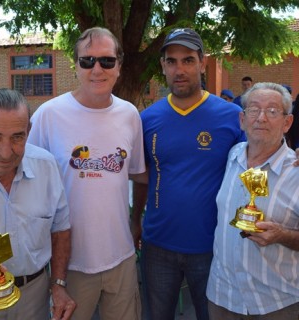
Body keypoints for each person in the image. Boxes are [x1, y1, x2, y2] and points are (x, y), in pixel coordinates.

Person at [28, 27, 146, 320]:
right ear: (76, 65)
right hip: (68, 265)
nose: (97, 69)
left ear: (119, 65)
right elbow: (26, 182)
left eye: (106, 61)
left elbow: (138, 176)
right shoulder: (48, 115)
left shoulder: (130, 115)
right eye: (87, 60)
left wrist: (136, 222)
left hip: (121, 258)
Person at [131, 28, 246, 320]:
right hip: (158, 245)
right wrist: (135, 221)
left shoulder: (231, 116)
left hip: (212, 245)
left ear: (201, 62)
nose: (179, 69)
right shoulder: (148, 119)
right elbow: (144, 175)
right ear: (163, 67)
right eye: (171, 61)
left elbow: (254, 168)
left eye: (187, 60)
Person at [0, 88, 75, 320]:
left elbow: (60, 230)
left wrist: (59, 284)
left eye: (17, 137)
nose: (5, 152)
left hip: (35, 297)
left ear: (28, 131)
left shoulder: (46, 166)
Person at [207, 82, 299, 319]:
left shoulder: (296, 171)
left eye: (272, 111)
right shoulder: (233, 154)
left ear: (287, 122)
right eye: (254, 110)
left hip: (275, 304)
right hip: (222, 297)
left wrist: (282, 235)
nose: (261, 118)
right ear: (242, 119)